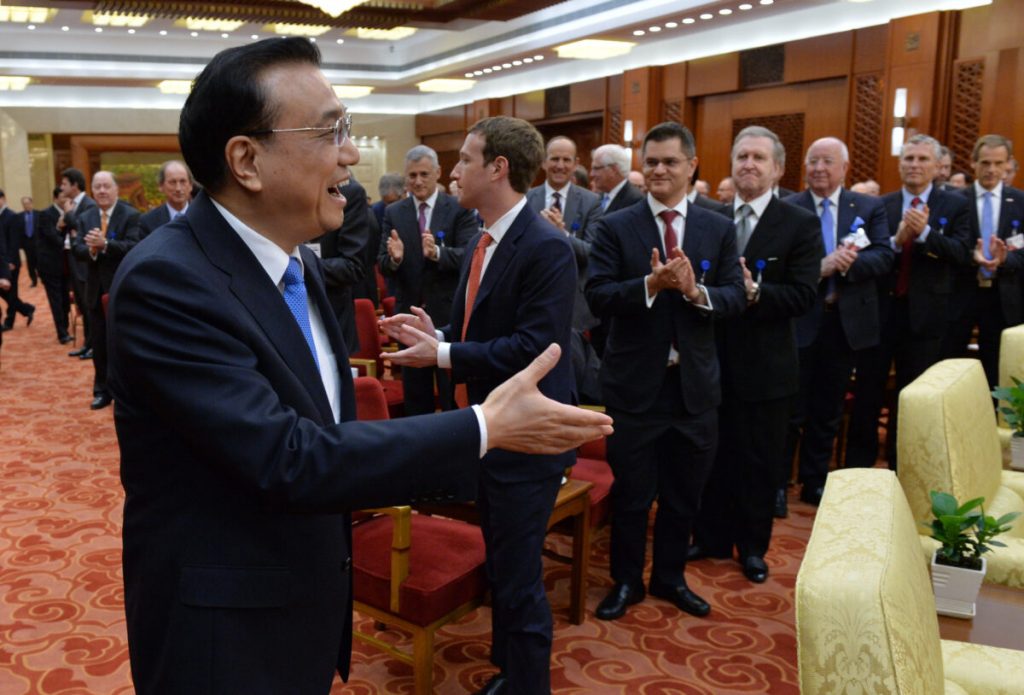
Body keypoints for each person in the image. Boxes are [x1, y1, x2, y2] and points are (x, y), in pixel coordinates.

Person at [107, 38, 610, 695]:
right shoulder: (167, 280)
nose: (350, 154)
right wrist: (484, 426)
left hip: (305, 602)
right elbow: (289, 456)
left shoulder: (297, 261)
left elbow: (330, 434)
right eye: (331, 132)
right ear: (247, 160)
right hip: (223, 633)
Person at [382, 115, 577, 695]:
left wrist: (442, 353)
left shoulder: (546, 247)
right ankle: (508, 671)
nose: (453, 171)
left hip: (525, 438)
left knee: (519, 579)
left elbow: (533, 348)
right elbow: (481, 330)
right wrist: (436, 333)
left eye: (465, 159)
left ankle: (528, 684)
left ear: (498, 168)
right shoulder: (479, 239)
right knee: (503, 567)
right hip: (485, 429)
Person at [585, 121, 745, 621]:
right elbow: (598, 296)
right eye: (651, 161)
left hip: (694, 389)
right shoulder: (616, 225)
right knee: (632, 497)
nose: (658, 170)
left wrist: (695, 292)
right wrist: (650, 285)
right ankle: (626, 581)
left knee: (683, 497)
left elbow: (736, 298)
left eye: (670, 162)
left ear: (691, 165)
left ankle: (671, 577)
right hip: (635, 388)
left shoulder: (718, 227)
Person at [690, 126, 821, 584]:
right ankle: (709, 536)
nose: (748, 164)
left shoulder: (799, 223)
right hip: (712, 360)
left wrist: (755, 294)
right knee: (712, 457)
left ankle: (751, 548)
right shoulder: (711, 218)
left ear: (778, 169)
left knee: (759, 462)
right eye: (742, 156)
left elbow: (804, 295)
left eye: (758, 158)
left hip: (767, 368)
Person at [845, 134, 971, 470]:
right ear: (900, 164)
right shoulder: (879, 205)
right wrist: (896, 241)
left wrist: (927, 234)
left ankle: (904, 469)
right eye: (909, 158)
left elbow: (962, 254)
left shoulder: (956, 205)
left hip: (926, 317)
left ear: (937, 166)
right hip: (880, 312)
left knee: (912, 397)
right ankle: (859, 469)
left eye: (922, 159)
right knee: (868, 393)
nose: (914, 165)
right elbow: (861, 251)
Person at [781, 137, 893, 512]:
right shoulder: (788, 207)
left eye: (827, 161)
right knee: (790, 410)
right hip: (799, 321)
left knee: (827, 410)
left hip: (844, 325)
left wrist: (849, 264)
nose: (818, 168)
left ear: (844, 168)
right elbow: (780, 263)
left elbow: (884, 256)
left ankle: (814, 482)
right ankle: (778, 484)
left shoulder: (868, 207)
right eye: (812, 161)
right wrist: (820, 268)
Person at [378, 145, 476, 414]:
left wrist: (437, 254)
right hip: (409, 316)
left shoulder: (458, 208)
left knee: (450, 393)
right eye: (412, 176)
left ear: (438, 173)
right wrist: (395, 259)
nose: (418, 181)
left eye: (424, 174)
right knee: (415, 396)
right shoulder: (394, 212)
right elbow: (383, 263)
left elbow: (469, 256)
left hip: (447, 316)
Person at [942, 134, 1024, 387]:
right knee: (950, 367)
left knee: (998, 370)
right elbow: (946, 246)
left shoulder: (1020, 201)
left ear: (1008, 164)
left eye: (998, 163)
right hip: (960, 294)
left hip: (1004, 297)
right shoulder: (955, 201)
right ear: (973, 163)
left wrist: (1006, 258)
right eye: (985, 163)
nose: (991, 170)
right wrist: (971, 257)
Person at [526, 135, 603, 402]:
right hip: (533, 304)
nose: (560, 165)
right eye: (555, 159)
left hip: (575, 308)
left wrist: (563, 235)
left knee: (571, 382)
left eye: (566, 160)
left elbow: (593, 252)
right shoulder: (527, 198)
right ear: (544, 162)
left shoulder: (591, 202)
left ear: (576, 163)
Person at [70, 170, 141, 410]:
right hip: (95, 289)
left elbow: (134, 246)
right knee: (99, 343)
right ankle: (102, 390)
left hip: (122, 289)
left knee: (124, 343)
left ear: (116, 189)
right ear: (92, 190)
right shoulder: (85, 217)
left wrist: (106, 245)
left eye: (106, 186)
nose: (102, 191)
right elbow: (77, 249)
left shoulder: (130, 215)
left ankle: (128, 390)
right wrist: (92, 249)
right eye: (97, 186)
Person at [59, 167, 97, 359]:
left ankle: (94, 345)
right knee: (81, 305)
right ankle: (87, 344)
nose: (61, 187)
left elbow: (81, 228)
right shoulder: (72, 204)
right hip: (71, 258)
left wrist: (68, 214)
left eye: (64, 183)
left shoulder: (88, 204)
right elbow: (67, 229)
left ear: (75, 185)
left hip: (83, 261)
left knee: (89, 306)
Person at [36, 187, 73, 344]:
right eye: (63, 197)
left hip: (66, 264)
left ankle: (65, 327)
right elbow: (53, 238)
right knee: (56, 300)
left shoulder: (70, 213)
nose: (66, 200)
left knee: (65, 299)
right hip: (50, 265)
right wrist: (59, 227)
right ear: (56, 198)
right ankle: (62, 333)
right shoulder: (46, 214)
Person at [0, 188, 34, 330]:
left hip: (10, 262)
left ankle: (9, 322)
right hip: (2, 261)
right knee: (6, 292)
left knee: (11, 292)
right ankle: (27, 309)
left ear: (3, 199)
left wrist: (10, 262)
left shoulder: (11, 216)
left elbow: (14, 242)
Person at [136, 160, 193, 241]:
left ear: (190, 186)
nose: (178, 188)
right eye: (172, 182)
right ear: (161, 186)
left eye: (183, 181)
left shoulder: (204, 217)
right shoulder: (148, 221)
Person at [591, 144, 643, 214]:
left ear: (613, 170)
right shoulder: (597, 197)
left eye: (596, 168)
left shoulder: (635, 201)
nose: (592, 174)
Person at [18, 196, 39, 287]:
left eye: (27, 203)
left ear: (31, 203)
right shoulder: (19, 216)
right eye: (24, 204)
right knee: (30, 263)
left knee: (39, 261)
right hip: (26, 243)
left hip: (37, 242)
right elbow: (18, 231)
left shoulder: (39, 214)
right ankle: (34, 280)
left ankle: (43, 277)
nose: (26, 205)